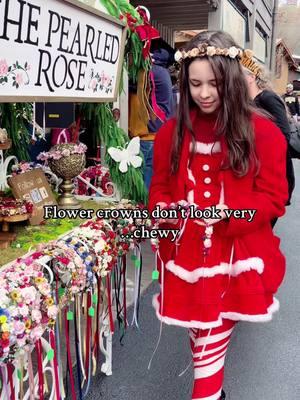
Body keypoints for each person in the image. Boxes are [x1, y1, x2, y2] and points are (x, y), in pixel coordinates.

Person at [149, 31, 288, 400]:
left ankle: (208, 394)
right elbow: (160, 186)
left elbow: (276, 197)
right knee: (200, 335)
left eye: (214, 83)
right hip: (184, 254)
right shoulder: (170, 134)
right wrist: (164, 211)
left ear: (232, 80)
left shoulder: (264, 133)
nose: (205, 93)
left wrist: (231, 213)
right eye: (195, 84)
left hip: (235, 256)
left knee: (209, 341)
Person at [241, 53, 295, 215]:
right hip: (253, 168)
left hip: (274, 168)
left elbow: (283, 136)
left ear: (250, 77)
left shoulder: (267, 98)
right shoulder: (247, 101)